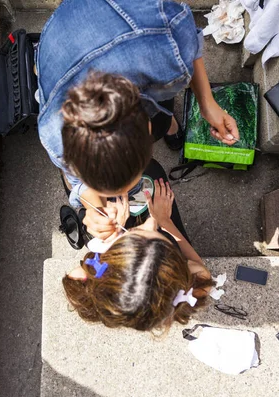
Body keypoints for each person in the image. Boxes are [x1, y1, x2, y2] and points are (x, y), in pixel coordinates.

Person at [36, 0, 240, 240]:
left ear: (147, 125)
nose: (125, 197)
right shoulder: (54, 134)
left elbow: (190, 44)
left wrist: (208, 104)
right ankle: (168, 123)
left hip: (127, 25)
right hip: (62, 44)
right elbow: (73, 179)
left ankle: (168, 123)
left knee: (165, 113)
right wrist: (91, 206)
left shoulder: (164, 43)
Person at [63, 179, 213, 332]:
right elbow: (196, 263)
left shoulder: (87, 281)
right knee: (153, 175)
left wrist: (104, 222)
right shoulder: (198, 283)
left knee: (79, 185)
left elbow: (85, 191)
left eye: (139, 230)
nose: (151, 222)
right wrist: (165, 221)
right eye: (155, 231)